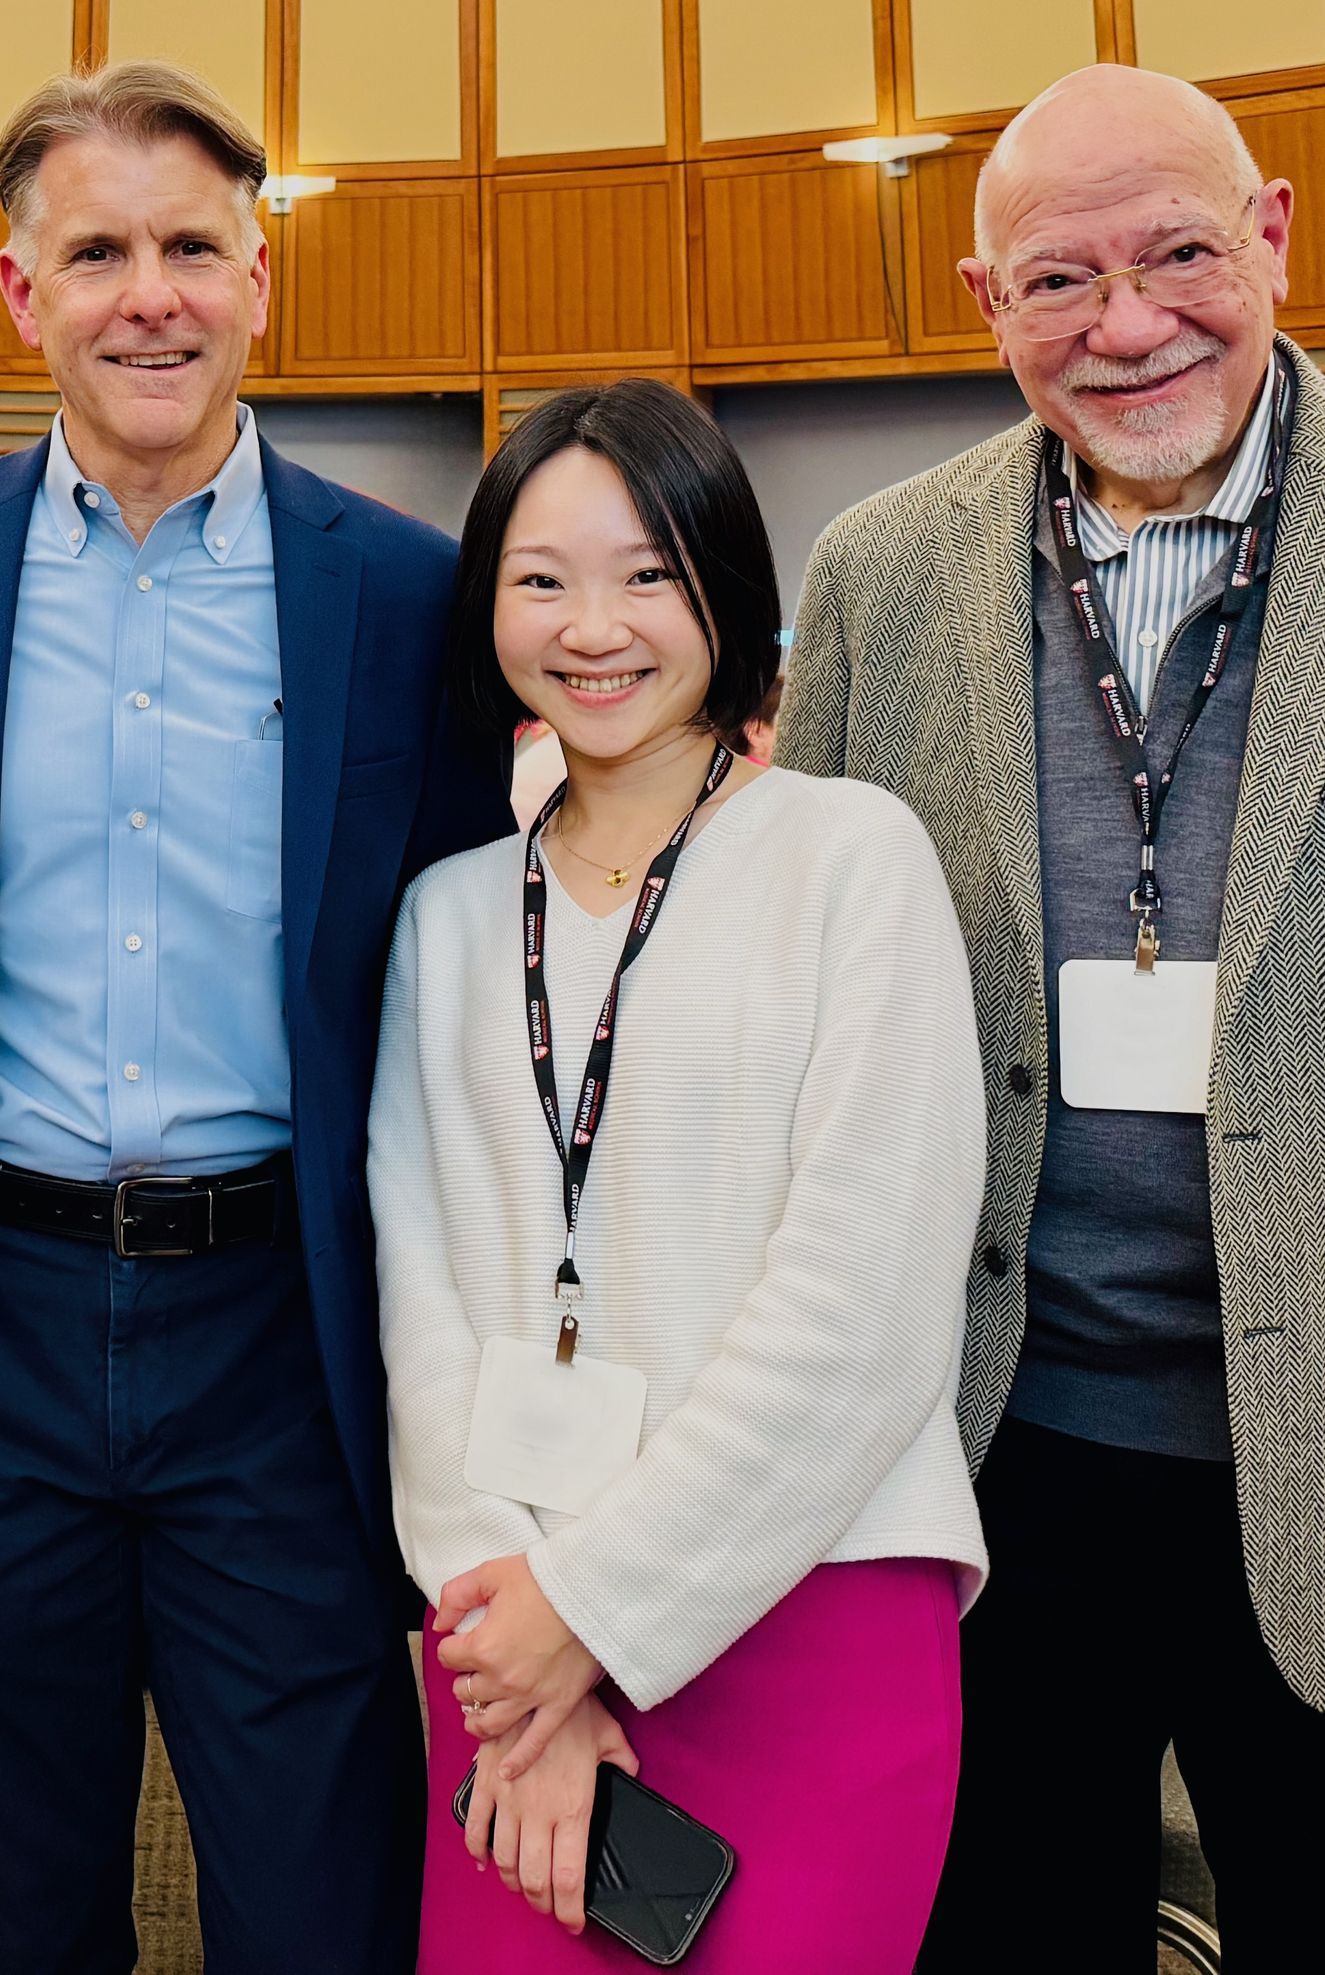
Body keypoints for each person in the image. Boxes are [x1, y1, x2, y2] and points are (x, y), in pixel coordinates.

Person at [0, 61, 510, 1973]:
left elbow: (466, 971)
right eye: (98, 250)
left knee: (319, 1903)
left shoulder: (409, 593)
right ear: (22, 291)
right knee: (23, 1910)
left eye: (194, 246)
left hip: (285, 1332)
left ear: (261, 279)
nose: (152, 294)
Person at [779, 63, 1325, 1969]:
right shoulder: (878, 577)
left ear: (1270, 232)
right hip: (1003, 1444)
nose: (1131, 325)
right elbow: (803, 1005)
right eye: (1059, 283)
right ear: (979, 297)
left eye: (1180, 252)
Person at [373, 379, 988, 1972]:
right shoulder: (445, 912)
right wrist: (512, 1625)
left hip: (810, 1600)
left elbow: (868, 1306)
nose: (597, 626)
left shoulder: (855, 857)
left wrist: (600, 1611)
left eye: (650, 572)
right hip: (501, 1630)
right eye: (542, 577)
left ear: (727, 583)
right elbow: (415, 1287)